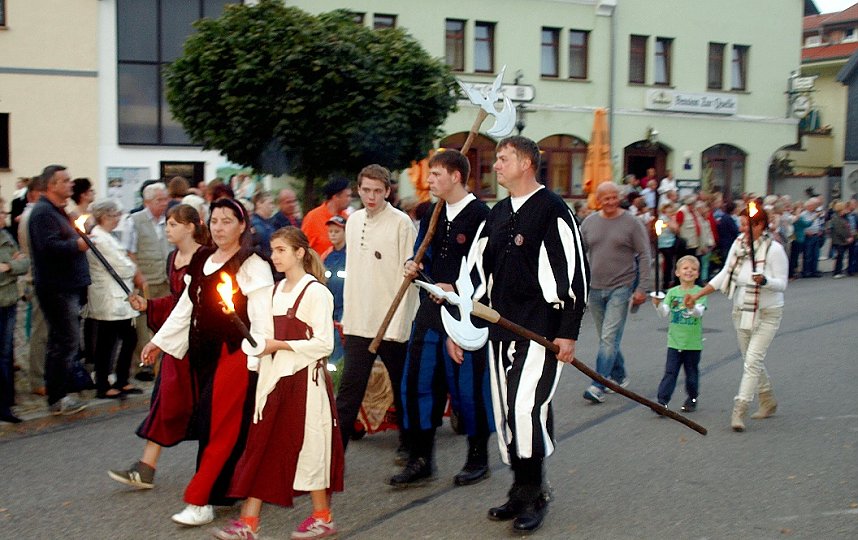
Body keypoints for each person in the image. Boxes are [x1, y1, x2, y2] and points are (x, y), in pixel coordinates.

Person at [448, 136, 589, 533]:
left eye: (503, 158)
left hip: (540, 332)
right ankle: (518, 489)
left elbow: (574, 274)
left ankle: (534, 492)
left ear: (526, 163)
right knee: (507, 410)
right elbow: (475, 276)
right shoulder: (498, 212)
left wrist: (568, 333)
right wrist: (462, 327)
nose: (496, 166)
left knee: (526, 408)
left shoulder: (553, 210)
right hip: (501, 329)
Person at [140, 198, 274, 525]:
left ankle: (201, 500)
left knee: (220, 427)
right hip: (206, 355)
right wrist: (158, 341)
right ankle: (229, 489)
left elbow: (262, 320)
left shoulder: (251, 264)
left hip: (236, 354)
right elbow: (187, 307)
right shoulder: (203, 259)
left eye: (228, 221)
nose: (219, 227)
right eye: (215, 221)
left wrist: (255, 363)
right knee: (215, 424)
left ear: (242, 226)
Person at [214, 227, 344, 540]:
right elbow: (261, 339)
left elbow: (324, 344)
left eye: (282, 250)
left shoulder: (316, 293)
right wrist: (255, 347)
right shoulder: (272, 292)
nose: (275, 257)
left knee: (311, 448)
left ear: (300, 252)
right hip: (274, 382)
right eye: (273, 250)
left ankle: (322, 517)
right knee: (262, 446)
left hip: (306, 383)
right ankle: (249, 524)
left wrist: (279, 346)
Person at [392, 149, 494, 488]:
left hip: (466, 313)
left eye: (436, 174)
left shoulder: (481, 215)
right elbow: (422, 251)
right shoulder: (434, 212)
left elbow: (489, 269)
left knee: (468, 388)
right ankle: (422, 458)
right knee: (416, 383)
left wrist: (458, 287)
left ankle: (477, 457)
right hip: (430, 311)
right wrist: (414, 265)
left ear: (455, 176)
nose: (429, 180)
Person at [108, 204, 206, 489]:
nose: (168, 230)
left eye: (174, 224)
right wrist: (149, 305)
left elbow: (195, 307)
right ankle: (146, 467)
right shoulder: (173, 257)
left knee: (205, 406)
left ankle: (223, 467)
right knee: (166, 398)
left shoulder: (204, 258)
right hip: (178, 341)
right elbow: (178, 302)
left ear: (190, 227)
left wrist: (160, 340)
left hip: (199, 343)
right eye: (167, 225)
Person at [336, 165, 418, 457]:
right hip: (360, 321)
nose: (371, 197)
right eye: (366, 190)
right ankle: (336, 455)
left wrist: (399, 323)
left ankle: (410, 447)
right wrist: (349, 316)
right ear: (358, 190)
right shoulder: (353, 221)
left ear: (387, 192)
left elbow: (410, 277)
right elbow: (355, 271)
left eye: (377, 191)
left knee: (402, 388)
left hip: (392, 321)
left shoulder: (401, 223)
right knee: (349, 392)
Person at [684, 206, 788, 432]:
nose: (743, 229)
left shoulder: (774, 250)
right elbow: (725, 274)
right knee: (750, 359)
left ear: (760, 225)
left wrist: (765, 281)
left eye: (746, 225)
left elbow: (782, 283)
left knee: (752, 360)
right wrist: (698, 293)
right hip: (742, 310)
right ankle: (768, 399)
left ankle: (739, 410)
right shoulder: (739, 244)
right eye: (741, 225)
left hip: (768, 312)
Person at [28, 165, 91, 415]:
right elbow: (48, 247)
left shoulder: (59, 211)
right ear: (51, 185)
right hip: (57, 287)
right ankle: (58, 396)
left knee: (63, 340)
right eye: (65, 181)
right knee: (65, 340)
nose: (71, 184)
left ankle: (60, 392)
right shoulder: (43, 213)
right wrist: (76, 244)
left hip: (68, 285)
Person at [580, 182, 651, 404]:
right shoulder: (589, 223)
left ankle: (599, 384)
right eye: (605, 198)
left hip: (621, 286)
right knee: (605, 338)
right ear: (598, 200)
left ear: (619, 198)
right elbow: (580, 254)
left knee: (609, 337)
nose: (610, 202)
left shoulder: (632, 223)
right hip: (594, 288)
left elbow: (645, 255)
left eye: (614, 197)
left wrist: (642, 288)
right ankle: (619, 375)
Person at [83, 200, 143, 399]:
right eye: (116, 215)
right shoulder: (99, 238)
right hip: (109, 298)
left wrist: (130, 265)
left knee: (126, 338)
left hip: (118, 297)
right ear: (105, 216)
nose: (118, 219)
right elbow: (123, 266)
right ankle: (103, 384)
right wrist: (132, 267)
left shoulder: (106, 236)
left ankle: (121, 380)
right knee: (107, 342)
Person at [124, 182, 171, 381]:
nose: (164, 203)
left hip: (165, 278)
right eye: (159, 200)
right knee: (143, 324)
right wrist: (137, 274)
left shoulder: (168, 220)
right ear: (147, 202)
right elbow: (129, 251)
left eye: (165, 199)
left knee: (165, 320)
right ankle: (143, 363)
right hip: (146, 280)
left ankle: (162, 361)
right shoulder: (134, 220)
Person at [651, 256, 707, 411]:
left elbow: (698, 313)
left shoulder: (700, 293)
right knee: (670, 372)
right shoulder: (672, 293)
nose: (689, 271)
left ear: (697, 274)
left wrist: (691, 306)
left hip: (692, 343)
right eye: (685, 268)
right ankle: (662, 402)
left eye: (693, 269)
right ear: (677, 272)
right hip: (674, 342)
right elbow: (664, 313)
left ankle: (692, 397)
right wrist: (657, 304)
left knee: (691, 374)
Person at [17, 179, 48, 397]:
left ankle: (42, 374)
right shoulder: (32, 217)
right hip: (37, 279)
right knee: (39, 331)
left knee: (41, 329)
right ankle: (37, 377)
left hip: (39, 278)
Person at [0, 202, 29, 423]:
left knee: (6, 353)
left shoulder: (6, 236)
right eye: (1, 212)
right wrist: (13, 265)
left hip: (9, 300)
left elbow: (24, 263)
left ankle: (7, 403)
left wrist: (8, 267)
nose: (5, 215)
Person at [301, 178, 352, 255]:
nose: (350, 199)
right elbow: (302, 247)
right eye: (347, 196)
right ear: (336, 197)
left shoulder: (347, 218)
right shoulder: (313, 218)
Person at [321, 215, 346, 367]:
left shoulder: (351, 255)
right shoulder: (327, 256)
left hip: (346, 308)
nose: (333, 235)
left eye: (337, 231)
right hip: (331, 307)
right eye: (330, 231)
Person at [829, 201, 853, 278]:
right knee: (839, 255)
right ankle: (836, 272)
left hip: (844, 240)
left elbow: (847, 227)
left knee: (841, 256)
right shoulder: (835, 218)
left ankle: (839, 271)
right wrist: (846, 238)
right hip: (838, 240)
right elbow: (839, 230)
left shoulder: (843, 217)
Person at [250, 191, 277, 258]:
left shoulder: (269, 223)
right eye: (270, 203)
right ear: (259, 204)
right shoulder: (255, 224)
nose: (273, 206)